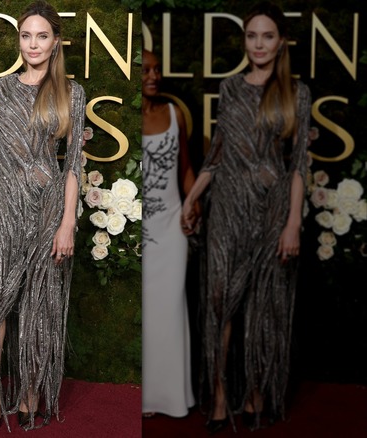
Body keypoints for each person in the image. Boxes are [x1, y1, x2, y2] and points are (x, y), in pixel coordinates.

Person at [0, 1, 86, 434]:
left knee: (39, 306)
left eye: (41, 36)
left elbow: (73, 166)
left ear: (55, 41)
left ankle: (30, 393)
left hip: (48, 211)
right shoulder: (4, 87)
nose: (33, 44)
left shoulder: (72, 92)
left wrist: (68, 222)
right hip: (3, 210)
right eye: (26, 36)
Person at [180, 1, 310, 433]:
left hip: (273, 217)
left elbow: (298, 167)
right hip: (227, 213)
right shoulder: (232, 88)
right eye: (252, 36)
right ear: (245, 41)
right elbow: (216, 156)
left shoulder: (297, 94)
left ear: (281, 42)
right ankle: (218, 397)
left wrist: (293, 223)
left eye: (267, 36)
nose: (259, 44)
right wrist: (191, 198)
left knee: (264, 308)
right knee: (220, 306)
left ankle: (256, 394)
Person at [141, 49, 196, 419]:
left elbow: (187, 169)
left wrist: (194, 205)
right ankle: (146, 398)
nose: (154, 75)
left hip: (173, 227)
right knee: (148, 312)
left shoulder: (175, 113)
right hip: (141, 231)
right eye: (146, 69)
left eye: (158, 69)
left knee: (171, 308)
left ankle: (173, 398)